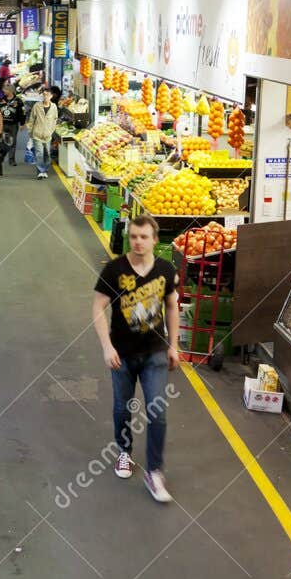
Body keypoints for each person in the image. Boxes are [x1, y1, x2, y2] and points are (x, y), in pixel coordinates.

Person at [93, 214, 180, 504]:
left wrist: (174, 346)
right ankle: (124, 453)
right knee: (123, 408)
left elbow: (171, 307)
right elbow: (97, 309)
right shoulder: (115, 270)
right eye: (133, 237)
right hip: (123, 354)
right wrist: (107, 347)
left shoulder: (166, 270)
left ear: (155, 240)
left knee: (158, 413)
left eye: (144, 237)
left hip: (155, 352)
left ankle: (154, 471)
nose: (138, 242)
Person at [27, 86, 61, 180]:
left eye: (47, 95)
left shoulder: (54, 107)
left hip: (48, 135)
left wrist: (51, 130)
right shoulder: (37, 106)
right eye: (44, 94)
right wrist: (30, 131)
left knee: (47, 154)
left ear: (51, 96)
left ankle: (45, 170)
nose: (45, 96)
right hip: (37, 133)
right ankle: (40, 171)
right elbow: (32, 119)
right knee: (39, 153)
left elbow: (55, 119)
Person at [1, 92, 25, 167]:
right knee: (4, 142)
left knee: (12, 142)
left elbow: (22, 112)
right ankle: (1, 157)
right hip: (2, 124)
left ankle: (11, 160)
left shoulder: (18, 100)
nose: (4, 91)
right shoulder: (1, 99)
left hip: (13, 125)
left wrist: (22, 123)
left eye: (6, 90)